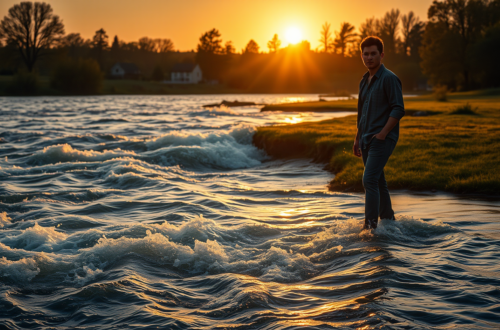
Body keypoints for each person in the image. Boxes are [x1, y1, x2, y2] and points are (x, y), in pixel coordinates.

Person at [353, 36, 405, 230]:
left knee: (369, 180)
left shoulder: (389, 78)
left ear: (381, 55)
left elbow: (398, 109)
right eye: (365, 54)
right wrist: (357, 138)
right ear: (361, 56)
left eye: (373, 54)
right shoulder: (363, 81)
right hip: (366, 139)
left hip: (382, 139)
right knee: (378, 181)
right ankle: (389, 224)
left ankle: (370, 228)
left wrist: (383, 133)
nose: (369, 57)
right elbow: (362, 113)